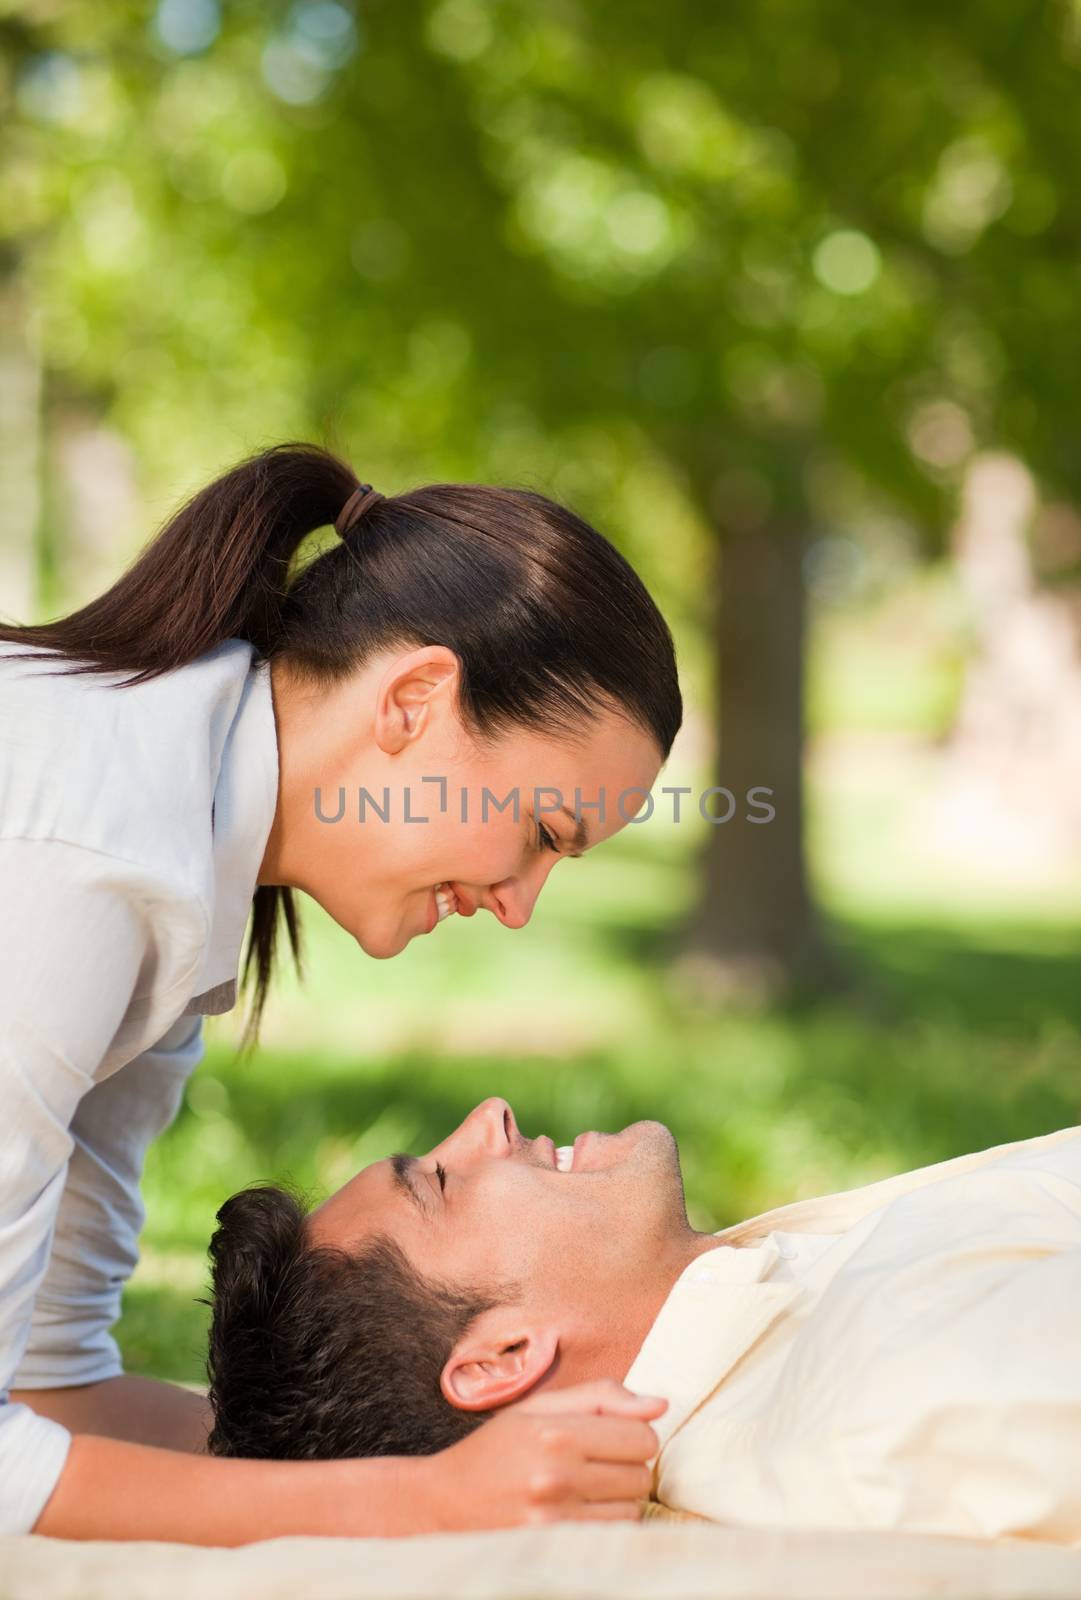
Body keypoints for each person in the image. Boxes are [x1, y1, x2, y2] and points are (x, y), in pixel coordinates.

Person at [0, 443, 681, 1541]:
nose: (519, 906)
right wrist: (423, 1498)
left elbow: (50, 1385)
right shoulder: (81, 862)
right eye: (540, 833)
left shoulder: (173, 884)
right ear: (414, 699)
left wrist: (454, 1445)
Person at [205, 1096, 1081, 1546]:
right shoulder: (895, 1402)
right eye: (441, 1181)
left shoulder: (785, 1318)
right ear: (502, 1356)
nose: (488, 1119)